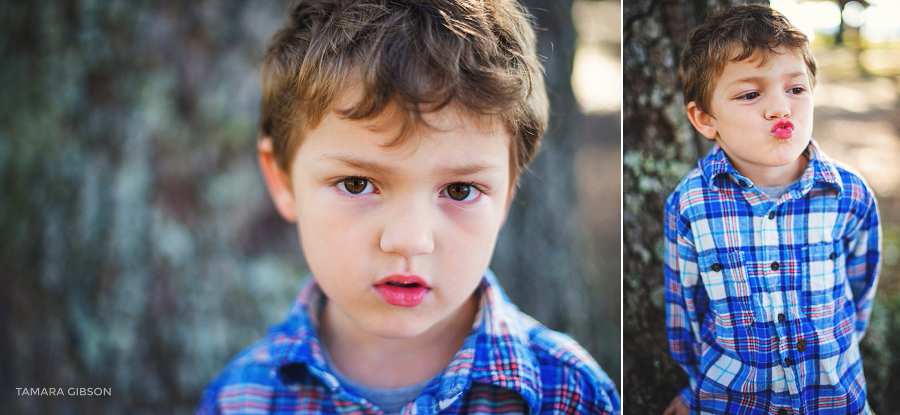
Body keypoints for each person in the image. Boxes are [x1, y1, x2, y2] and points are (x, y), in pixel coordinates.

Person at [195, 1, 620, 414]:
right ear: (282, 180)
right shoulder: (241, 398)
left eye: (458, 191)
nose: (409, 240)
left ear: (508, 196)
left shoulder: (569, 394)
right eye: (357, 184)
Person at [663, 4, 881, 414]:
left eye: (796, 89)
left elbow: (859, 294)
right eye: (750, 94)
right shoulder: (690, 205)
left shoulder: (849, 195)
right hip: (732, 402)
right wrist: (695, 389)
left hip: (833, 401)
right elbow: (687, 315)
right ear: (705, 119)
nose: (781, 108)